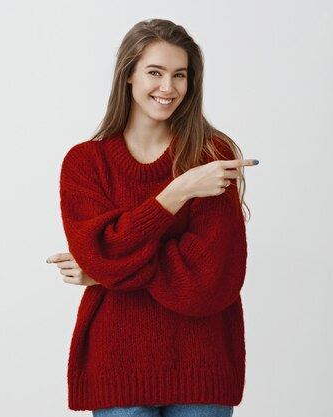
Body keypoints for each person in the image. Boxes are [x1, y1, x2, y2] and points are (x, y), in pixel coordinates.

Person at [46, 18, 258, 417]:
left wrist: (110, 272)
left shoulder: (210, 154)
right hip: (117, 366)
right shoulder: (85, 163)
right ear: (128, 75)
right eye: (155, 72)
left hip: (202, 365)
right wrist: (176, 193)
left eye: (180, 75)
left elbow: (212, 277)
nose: (168, 87)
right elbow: (102, 250)